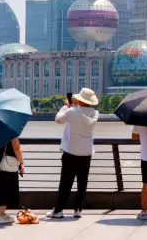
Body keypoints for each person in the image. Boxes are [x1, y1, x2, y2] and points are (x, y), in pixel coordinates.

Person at [47, 88, 100, 219]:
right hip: (86, 152)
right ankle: (78, 209)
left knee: (66, 182)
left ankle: (58, 210)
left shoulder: (72, 111)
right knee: (82, 182)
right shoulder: (95, 113)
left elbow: (58, 120)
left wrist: (65, 107)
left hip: (71, 151)